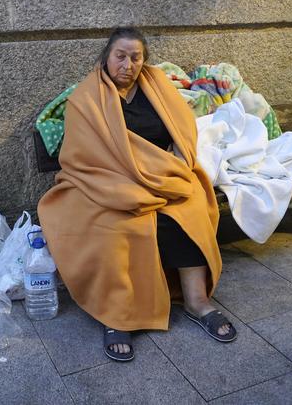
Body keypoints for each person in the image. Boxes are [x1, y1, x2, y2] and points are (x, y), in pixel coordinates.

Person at [38, 27, 235, 362]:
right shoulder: (86, 98)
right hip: (105, 182)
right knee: (115, 225)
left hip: (162, 176)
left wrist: (172, 161)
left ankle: (196, 300)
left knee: (188, 211)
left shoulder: (157, 85)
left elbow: (182, 130)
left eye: (135, 57)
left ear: (144, 61)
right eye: (120, 56)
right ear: (106, 57)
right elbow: (81, 157)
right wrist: (129, 180)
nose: (127, 64)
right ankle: (117, 315)